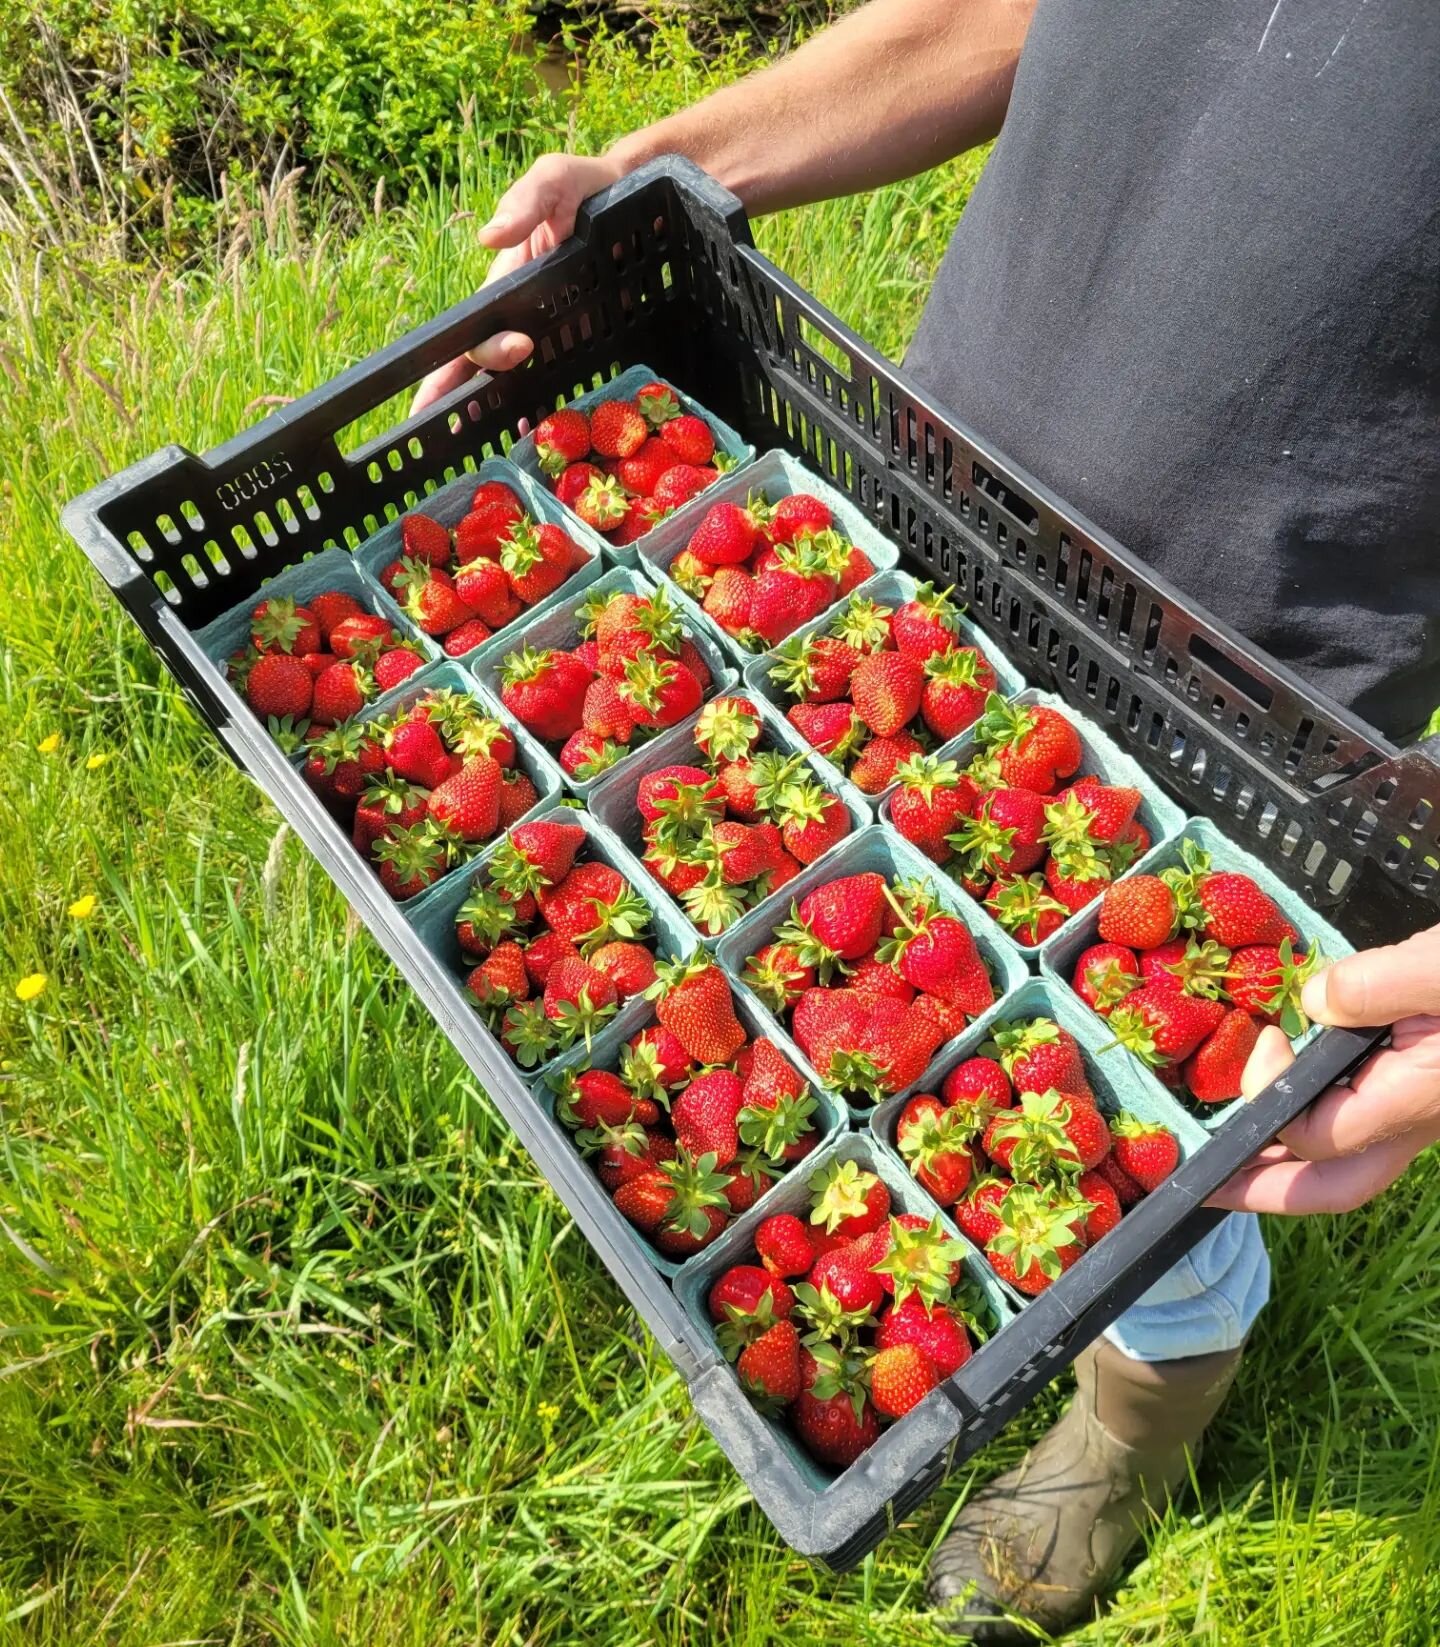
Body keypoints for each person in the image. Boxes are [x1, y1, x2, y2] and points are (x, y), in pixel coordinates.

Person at [413, 2, 1440, 1636]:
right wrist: (662, 171)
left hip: (1257, 707)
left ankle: (1139, 1407)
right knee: (928, 991)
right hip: (909, 537)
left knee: (1149, 1160)